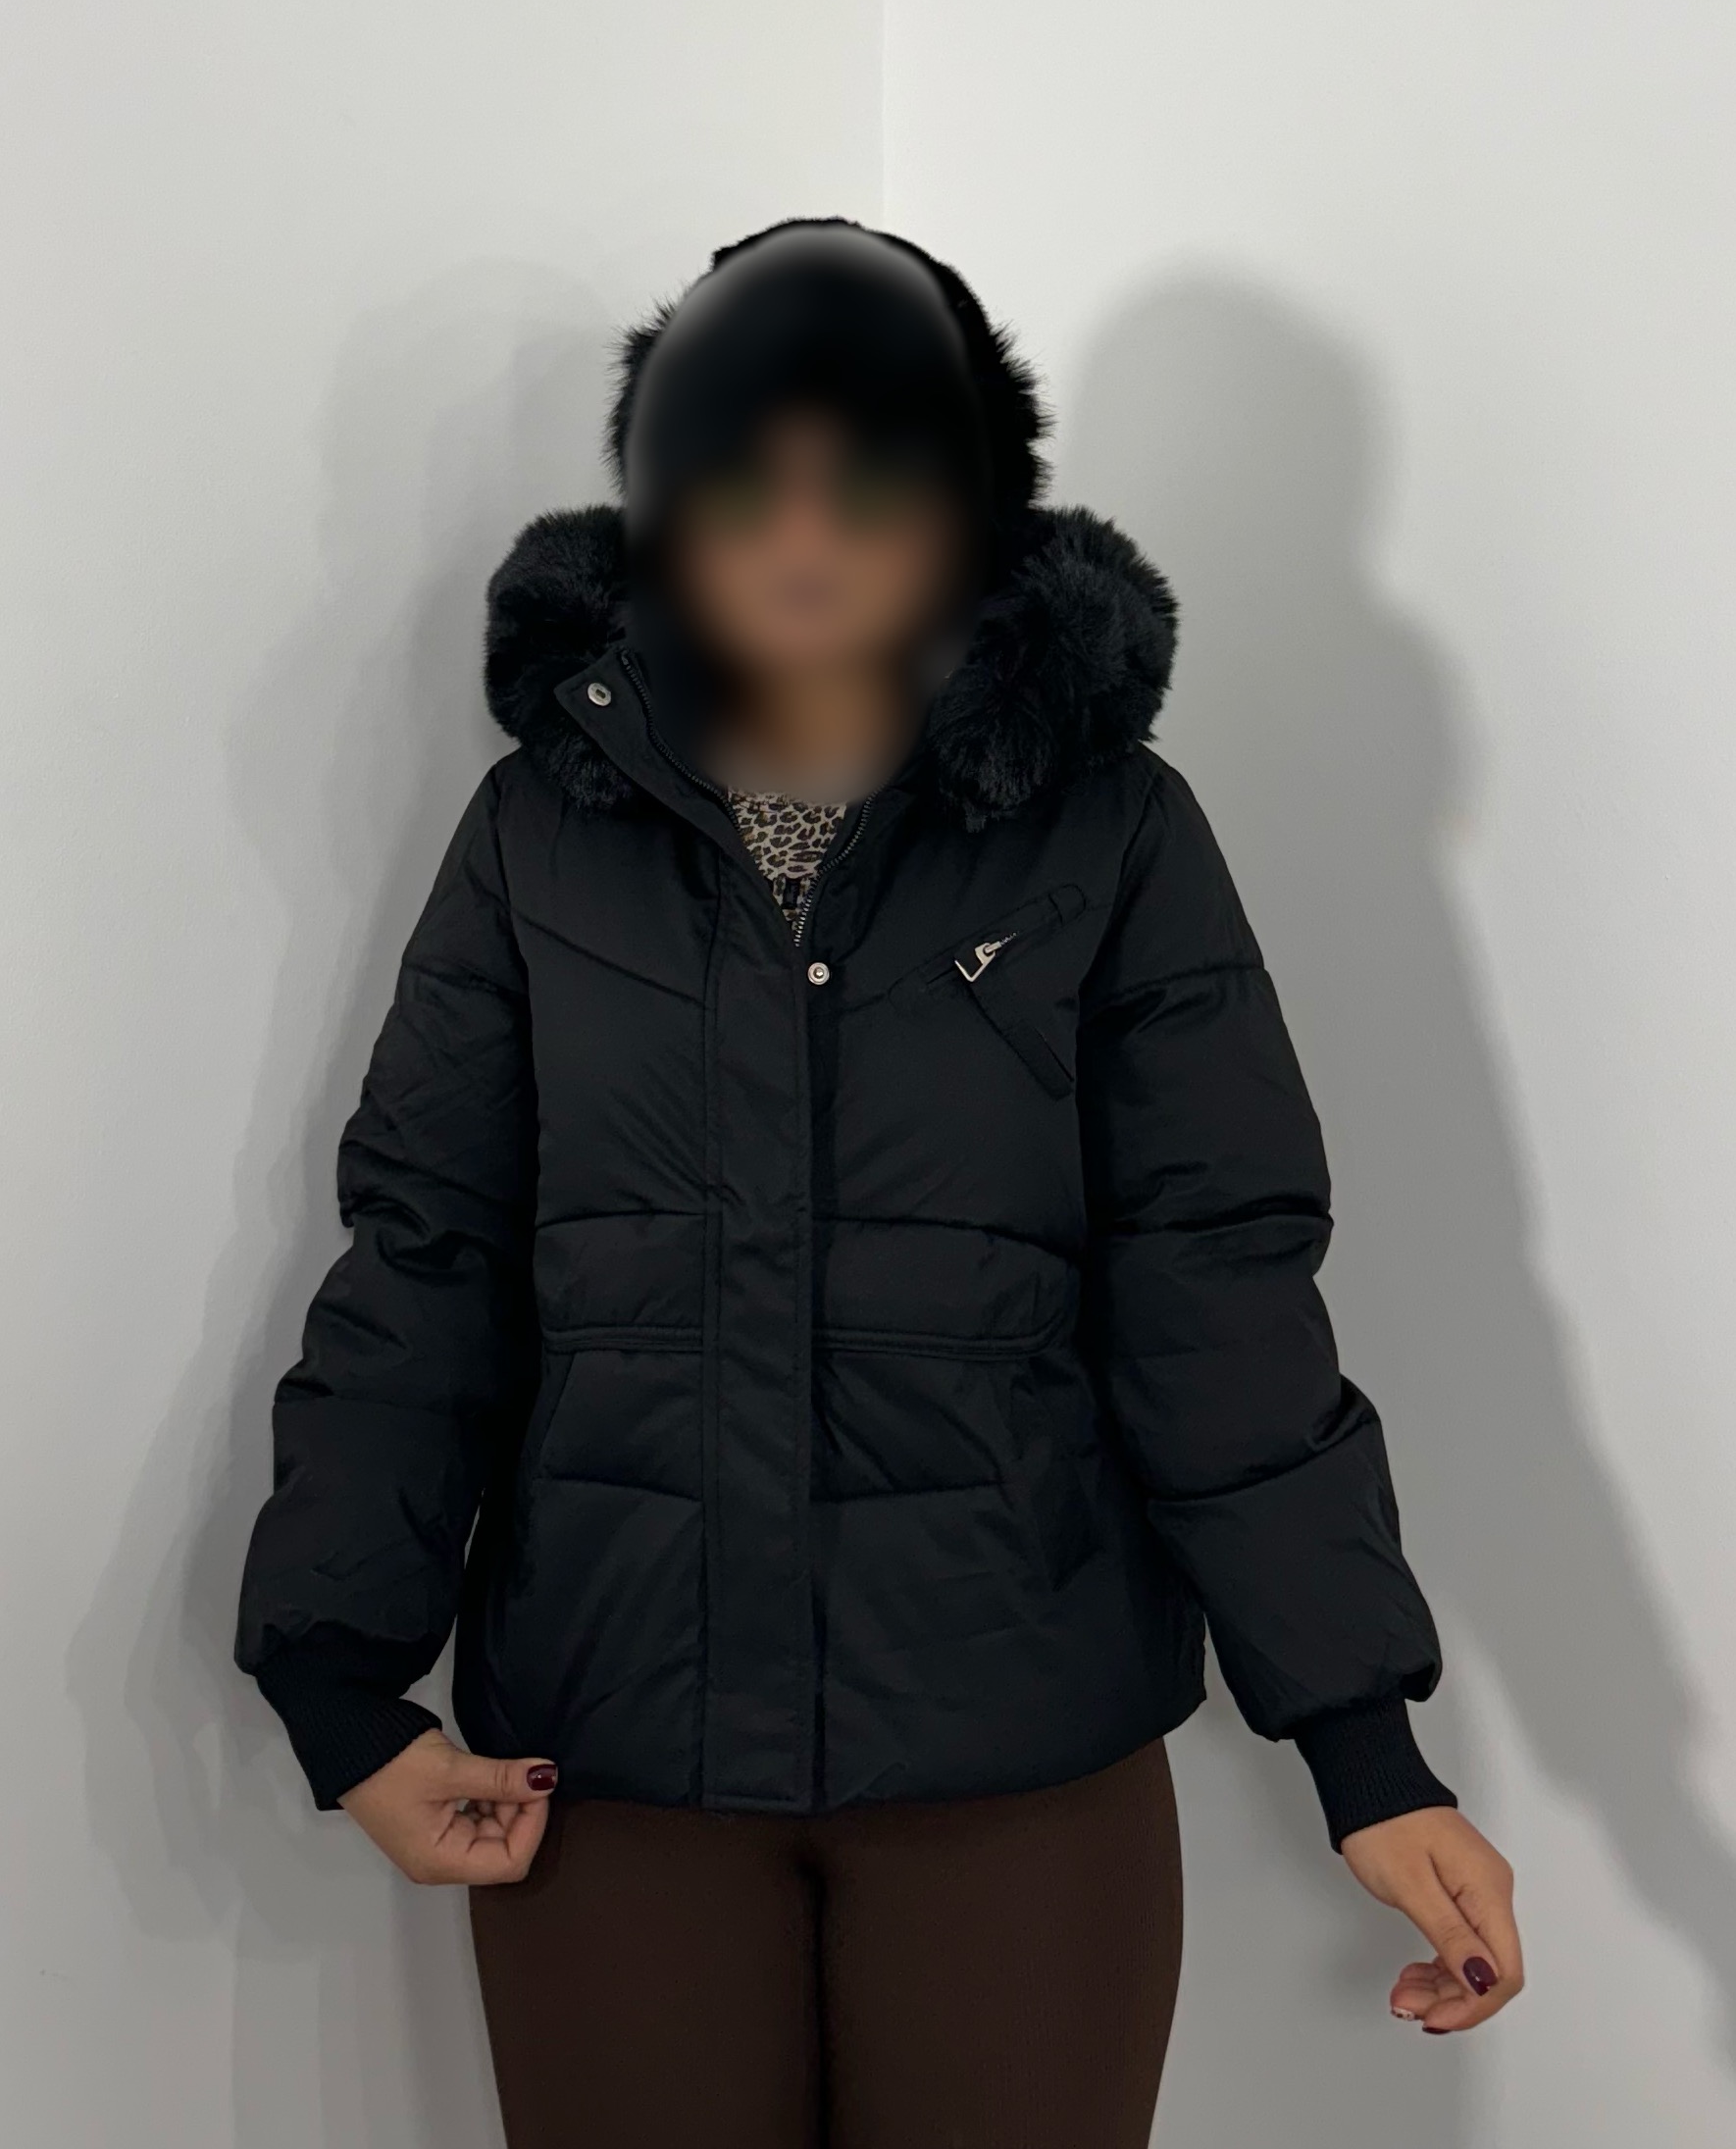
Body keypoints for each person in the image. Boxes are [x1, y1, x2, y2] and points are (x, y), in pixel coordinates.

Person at [234, 218, 1522, 2146]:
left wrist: (1365, 1743)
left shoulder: (1110, 835)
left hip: (1016, 1763)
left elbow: (1216, 1287)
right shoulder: (540, 835)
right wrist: (341, 1686)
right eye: (740, 479)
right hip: (612, 1755)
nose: (803, 538)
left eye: (870, 482)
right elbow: (429, 1254)